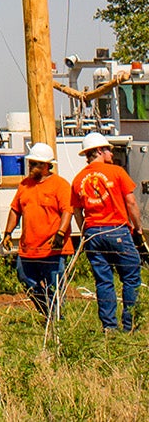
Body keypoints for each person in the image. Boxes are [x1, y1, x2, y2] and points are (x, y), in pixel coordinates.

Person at [68, 131, 141, 332]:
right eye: (108, 149)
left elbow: (76, 210)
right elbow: (131, 202)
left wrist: (85, 231)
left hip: (93, 233)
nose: (111, 152)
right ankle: (130, 324)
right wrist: (138, 226)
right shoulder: (116, 172)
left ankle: (109, 327)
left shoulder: (78, 179)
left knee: (103, 281)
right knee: (131, 277)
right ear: (99, 151)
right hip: (117, 229)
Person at [2, 143, 74, 319]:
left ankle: (56, 321)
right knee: (25, 278)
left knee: (54, 285)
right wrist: (8, 233)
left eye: (36, 163)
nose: (32, 166)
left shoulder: (60, 185)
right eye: (31, 163)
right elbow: (15, 209)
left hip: (52, 248)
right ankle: (47, 312)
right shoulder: (25, 185)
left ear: (47, 165)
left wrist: (60, 234)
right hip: (28, 249)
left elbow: (68, 210)